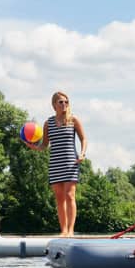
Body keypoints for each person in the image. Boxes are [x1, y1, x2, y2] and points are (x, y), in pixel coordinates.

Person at [25, 90, 87, 237]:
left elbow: (83, 139)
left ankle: (71, 231)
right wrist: (33, 146)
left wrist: (83, 153)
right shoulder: (48, 123)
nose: (64, 104)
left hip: (71, 162)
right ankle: (63, 230)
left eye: (66, 102)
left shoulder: (73, 120)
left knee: (70, 195)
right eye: (61, 102)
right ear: (54, 105)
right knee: (59, 198)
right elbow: (44, 145)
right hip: (55, 164)